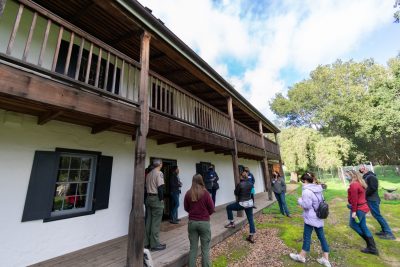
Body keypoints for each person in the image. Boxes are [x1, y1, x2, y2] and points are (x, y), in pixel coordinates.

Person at [289, 172, 331, 267]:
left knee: (307, 236)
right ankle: (325, 258)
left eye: (302, 181)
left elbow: (306, 205)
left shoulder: (306, 191)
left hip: (311, 217)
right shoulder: (318, 188)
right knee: (321, 237)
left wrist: (299, 200)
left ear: (305, 181)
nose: (302, 183)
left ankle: (301, 256)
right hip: (319, 216)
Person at [184, 174, 215, 267]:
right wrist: (205, 215)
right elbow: (212, 208)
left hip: (192, 223)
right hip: (204, 223)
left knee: (193, 249)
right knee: (205, 249)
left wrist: (193, 213)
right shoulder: (206, 193)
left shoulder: (188, 193)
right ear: (201, 181)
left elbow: (186, 208)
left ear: (192, 181)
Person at [359, 164, 396, 240]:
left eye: (361, 169)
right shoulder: (367, 177)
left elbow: (373, 188)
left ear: (365, 169)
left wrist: (364, 195)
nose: (360, 170)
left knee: (378, 215)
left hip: (373, 199)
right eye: (360, 169)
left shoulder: (371, 177)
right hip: (370, 199)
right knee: (376, 215)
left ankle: (389, 233)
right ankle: (384, 231)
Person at [346, 170, 379, 255]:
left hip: (359, 209)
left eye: (347, 175)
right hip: (363, 207)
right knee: (363, 226)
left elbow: (354, 200)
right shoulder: (360, 183)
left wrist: (354, 212)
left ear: (352, 176)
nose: (346, 177)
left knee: (353, 225)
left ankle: (370, 244)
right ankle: (372, 247)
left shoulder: (354, 185)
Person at [224, 169, 256, 243]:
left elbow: (236, 193)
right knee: (250, 219)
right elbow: (252, 193)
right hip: (249, 203)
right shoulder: (251, 184)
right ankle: (251, 236)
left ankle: (232, 223)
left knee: (228, 207)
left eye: (240, 176)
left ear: (241, 177)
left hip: (242, 203)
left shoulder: (240, 184)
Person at [144, 159, 166, 251]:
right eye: (161, 163)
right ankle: (155, 244)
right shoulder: (159, 173)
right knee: (156, 223)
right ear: (160, 164)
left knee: (149, 221)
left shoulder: (149, 174)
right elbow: (160, 187)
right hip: (156, 198)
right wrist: (161, 199)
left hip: (148, 198)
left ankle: (147, 243)